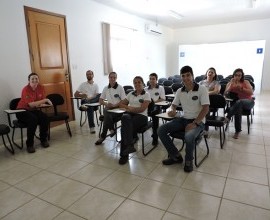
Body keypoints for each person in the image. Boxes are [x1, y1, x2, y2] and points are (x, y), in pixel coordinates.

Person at [157, 66, 209, 172]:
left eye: (188, 75)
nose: (186, 78)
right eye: (183, 76)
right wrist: (172, 111)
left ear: (192, 76)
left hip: (198, 121)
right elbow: (173, 105)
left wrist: (195, 123)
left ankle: (188, 160)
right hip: (184, 119)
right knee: (161, 130)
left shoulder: (202, 89)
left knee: (189, 136)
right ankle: (175, 156)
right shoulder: (180, 91)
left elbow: (205, 108)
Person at [16, 73, 52, 153]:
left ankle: (43, 139)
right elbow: (31, 104)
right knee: (33, 119)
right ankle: (29, 144)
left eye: (36, 78)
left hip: (32, 110)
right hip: (21, 111)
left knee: (44, 117)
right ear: (29, 80)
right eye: (32, 79)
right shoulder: (25, 89)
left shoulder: (41, 87)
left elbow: (40, 101)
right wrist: (45, 100)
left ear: (38, 80)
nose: (35, 80)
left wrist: (44, 104)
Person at [118, 76, 151, 165]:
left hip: (142, 116)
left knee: (123, 129)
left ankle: (124, 155)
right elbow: (121, 104)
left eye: (139, 82)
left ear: (143, 84)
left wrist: (129, 109)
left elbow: (142, 109)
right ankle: (129, 145)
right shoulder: (130, 93)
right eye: (135, 83)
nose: (137, 84)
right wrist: (129, 108)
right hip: (130, 115)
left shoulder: (146, 94)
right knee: (125, 117)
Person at [95, 72, 126, 145]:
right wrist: (107, 104)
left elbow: (124, 101)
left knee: (106, 113)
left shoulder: (120, 87)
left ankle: (103, 136)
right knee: (106, 111)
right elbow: (100, 100)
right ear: (108, 78)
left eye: (114, 77)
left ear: (116, 78)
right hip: (110, 109)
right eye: (111, 77)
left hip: (119, 109)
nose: (112, 79)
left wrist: (115, 105)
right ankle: (111, 129)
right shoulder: (106, 88)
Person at [224, 68, 254, 139]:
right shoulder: (230, 83)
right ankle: (237, 131)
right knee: (238, 108)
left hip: (248, 102)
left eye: (239, 75)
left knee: (240, 102)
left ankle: (228, 117)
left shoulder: (246, 82)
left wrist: (241, 88)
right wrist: (230, 85)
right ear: (233, 75)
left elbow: (251, 92)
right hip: (237, 104)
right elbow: (225, 94)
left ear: (242, 76)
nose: (237, 77)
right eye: (236, 75)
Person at [199, 67, 221, 137]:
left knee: (205, 109)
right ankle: (197, 128)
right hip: (200, 102)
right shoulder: (201, 82)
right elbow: (196, 91)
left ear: (214, 74)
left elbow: (216, 91)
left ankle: (205, 130)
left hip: (211, 103)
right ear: (207, 73)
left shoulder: (216, 83)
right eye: (209, 72)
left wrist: (205, 93)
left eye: (212, 72)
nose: (210, 73)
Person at [145, 73, 166, 146]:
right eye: (150, 79)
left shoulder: (160, 88)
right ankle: (134, 136)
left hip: (156, 106)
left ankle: (155, 137)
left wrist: (153, 102)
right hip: (147, 107)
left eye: (153, 79)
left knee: (155, 115)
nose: (151, 80)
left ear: (156, 80)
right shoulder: (145, 89)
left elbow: (163, 98)